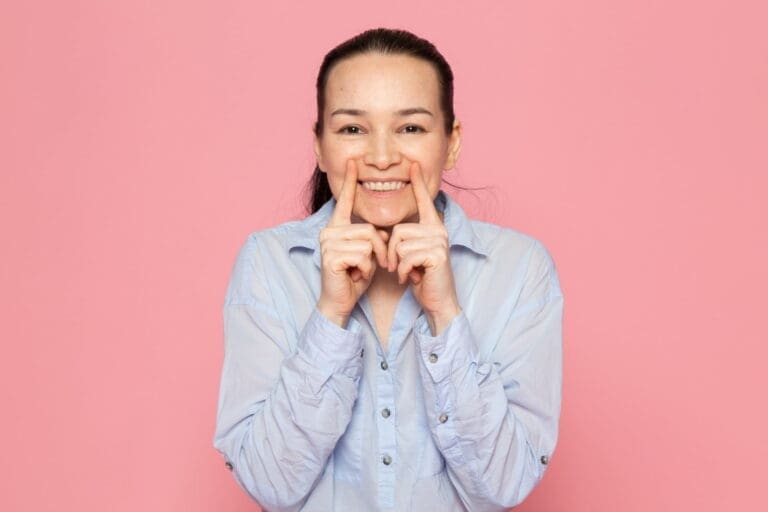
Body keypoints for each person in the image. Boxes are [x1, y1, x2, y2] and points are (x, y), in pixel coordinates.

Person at [213, 27, 564, 511]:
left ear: (452, 141)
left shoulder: (520, 269)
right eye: (352, 129)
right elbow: (269, 482)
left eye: (411, 128)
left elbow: (503, 486)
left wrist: (445, 315)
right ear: (319, 145)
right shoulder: (268, 264)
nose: (381, 158)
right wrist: (330, 317)